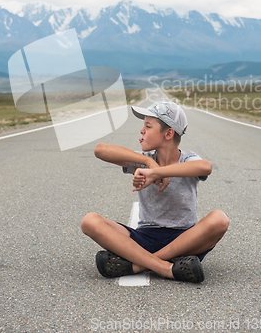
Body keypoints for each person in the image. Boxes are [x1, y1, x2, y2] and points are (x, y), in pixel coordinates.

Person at [81, 101, 229, 282]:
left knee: (220, 219)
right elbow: (101, 150)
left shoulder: (188, 159)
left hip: (185, 240)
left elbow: (205, 167)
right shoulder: (144, 160)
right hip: (145, 237)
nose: (142, 131)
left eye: (148, 126)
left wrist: (156, 172)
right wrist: (149, 163)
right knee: (90, 221)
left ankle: (138, 264)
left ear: (168, 133)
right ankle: (167, 267)